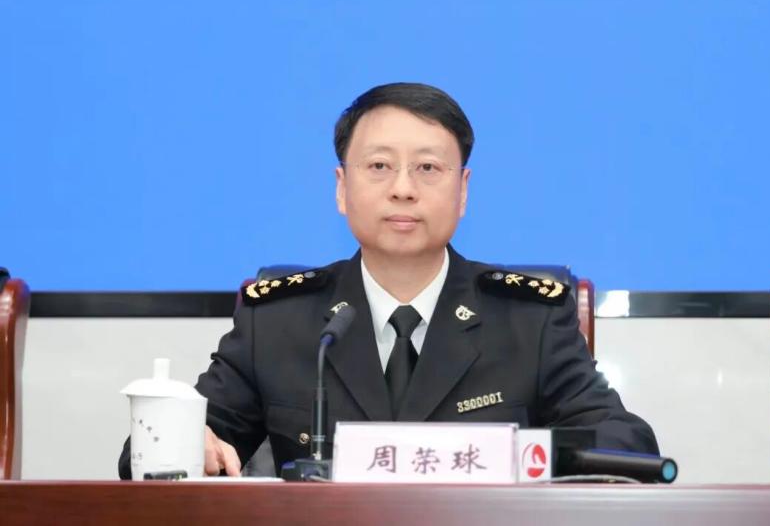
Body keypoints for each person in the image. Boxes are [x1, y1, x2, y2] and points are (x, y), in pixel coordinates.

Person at [119, 82, 658, 478]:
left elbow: (625, 441)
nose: (403, 189)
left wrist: (523, 459)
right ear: (341, 187)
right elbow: (150, 452)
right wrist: (186, 443)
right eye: (379, 166)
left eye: (428, 168)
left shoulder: (528, 321)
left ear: (463, 190)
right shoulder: (277, 322)